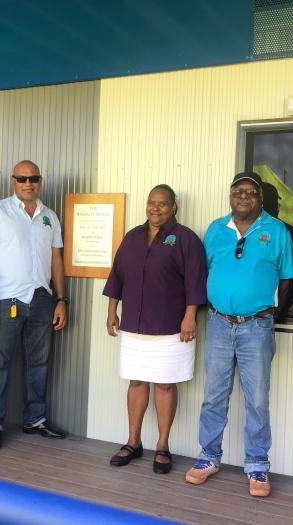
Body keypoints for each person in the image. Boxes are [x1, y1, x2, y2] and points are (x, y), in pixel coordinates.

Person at [185, 172, 293, 497]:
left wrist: (272, 313)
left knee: (257, 398)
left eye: (250, 192)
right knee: (214, 395)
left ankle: (257, 465)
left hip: (256, 326)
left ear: (260, 199)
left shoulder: (276, 231)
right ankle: (208, 457)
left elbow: (288, 279)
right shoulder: (216, 230)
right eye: (237, 191)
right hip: (218, 323)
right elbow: (204, 272)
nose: (243, 197)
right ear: (230, 197)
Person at [103, 185, 207, 474]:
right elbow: (118, 277)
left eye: (163, 204)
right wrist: (112, 311)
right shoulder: (132, 237)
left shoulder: (186, 239)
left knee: (164, 383)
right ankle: (133, 442)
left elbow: (195, 283)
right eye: (152, 203)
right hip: (134, 325)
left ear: (173, 207)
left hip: (171, 328)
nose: (156, 208)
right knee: (136, 381)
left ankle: (162, 445)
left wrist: (190, 317)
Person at [0, 160, 68, 452]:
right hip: (5, 300)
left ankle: (35, 419)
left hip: (41, 298)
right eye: (23, 178)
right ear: (13, 180)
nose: (29, 183)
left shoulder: (49, 216)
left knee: (39, 362)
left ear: (40, 181)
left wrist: (61, 300)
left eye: (34, 178)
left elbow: (56, 261)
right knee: (0, 363)